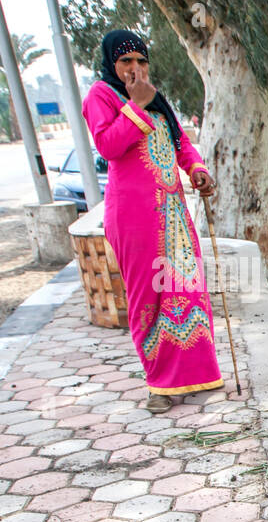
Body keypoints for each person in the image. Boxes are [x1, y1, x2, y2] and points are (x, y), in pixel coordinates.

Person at [82, 30, 223, 414]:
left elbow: (180, 143)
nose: (135, 69)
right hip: (133, 216)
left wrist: (196, 169)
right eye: (126, 61)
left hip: (173, 213)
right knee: (149, 298)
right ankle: (159, 385)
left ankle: (197, 373)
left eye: (141, 61)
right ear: (111, 63)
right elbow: (108, 146)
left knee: (187, 291)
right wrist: (137, 106)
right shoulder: (102, 95)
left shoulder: (156, 99)